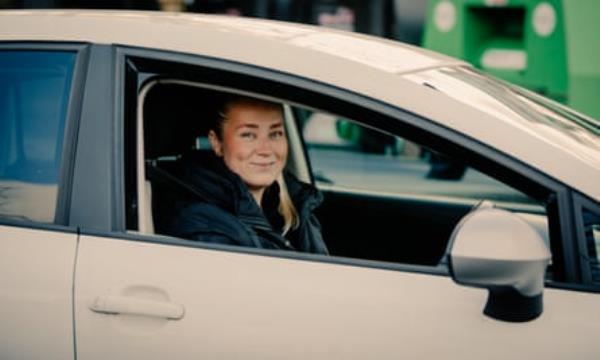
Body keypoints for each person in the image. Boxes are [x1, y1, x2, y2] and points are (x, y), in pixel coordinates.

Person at [166, 95, 328, 255]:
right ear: (216, 142)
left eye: (275, 134)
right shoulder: (206, 227)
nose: (265, 150)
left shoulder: (295, 207)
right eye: (248, 135)